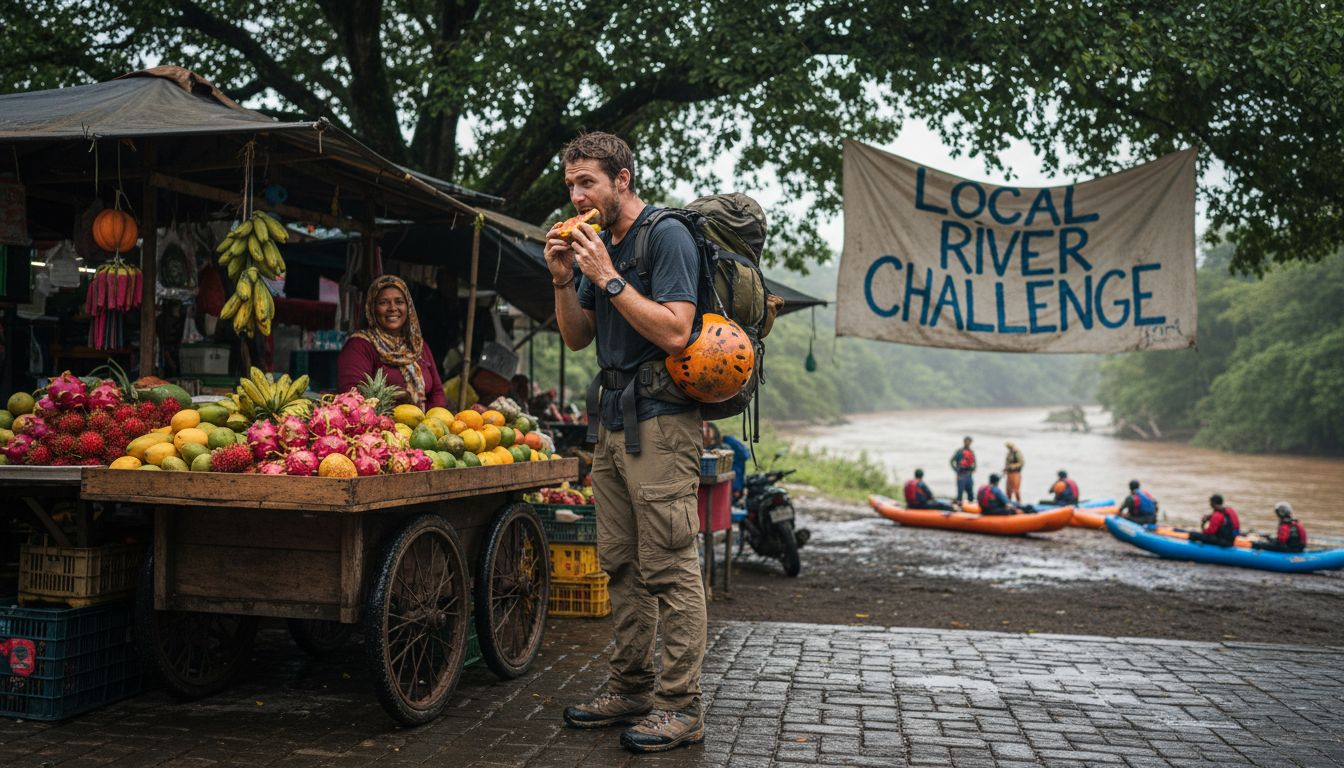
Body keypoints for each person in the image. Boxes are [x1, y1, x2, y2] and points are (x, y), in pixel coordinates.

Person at [547, 132, 706, 752]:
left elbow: (675, 331)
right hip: (611, 419)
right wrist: (565, 281)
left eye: (588, 182)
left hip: (663, 420)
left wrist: (609, 278)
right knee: (620, 561)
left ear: (623, 178)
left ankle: (681, 705)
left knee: (668, 563)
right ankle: (631, 686)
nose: (577, 195)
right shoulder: (597, 243)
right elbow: (578, 339)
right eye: (571, 186)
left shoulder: (664, 235)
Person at [336, 275, 446, 410]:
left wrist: (432, 421)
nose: (392, 308)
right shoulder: (359, 345)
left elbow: (437, 392)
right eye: (383, 302)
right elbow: (351, 395)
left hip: (425, 426)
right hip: (380, 428)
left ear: (409, 307)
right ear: (372, 308)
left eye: (399, 301)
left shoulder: (417, 345)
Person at [702, 422, 750, 499]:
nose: (705, 433)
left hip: (731, 485)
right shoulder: (705, 448)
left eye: (707, 430)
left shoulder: (727, 443)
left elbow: (744, 456)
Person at [949, 436, 976, 503]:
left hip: (969, 474)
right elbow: (952, 461)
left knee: (970, 492)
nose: (967, 443)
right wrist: (956, 470)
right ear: (964, 442)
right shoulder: (959, 452)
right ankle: (959, 504)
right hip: (961, 473)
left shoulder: (971, 452)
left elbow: (974, 463)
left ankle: (971, 506)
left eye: (969, 442)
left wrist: (973, 469)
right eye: (966, 442)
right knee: (960, 492)